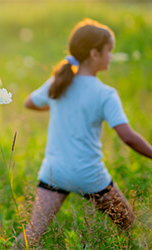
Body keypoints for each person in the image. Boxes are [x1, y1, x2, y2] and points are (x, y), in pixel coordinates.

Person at [16, 18, 152, 247]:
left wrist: (59, 103)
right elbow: (128, 137)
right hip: (89, 176)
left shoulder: (58, 82)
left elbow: (30, 102)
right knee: (128, 224)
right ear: (94, 54)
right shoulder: (105, 94)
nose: (111, 56)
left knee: (32, 233)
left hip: (53, 173)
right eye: (109, 50)